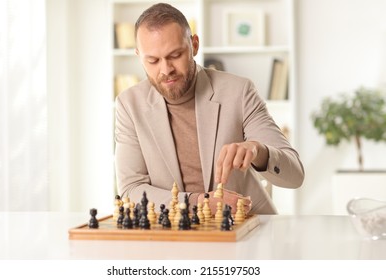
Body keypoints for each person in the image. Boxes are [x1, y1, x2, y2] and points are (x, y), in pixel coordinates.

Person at [115, 3, 304, 214]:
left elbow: (294, 175)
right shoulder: (128, 105)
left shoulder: (239, 91)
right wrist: (198, 202)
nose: (166, 69)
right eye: (152, 60)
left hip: (247, 229)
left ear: (194, 45)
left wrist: (258, 151)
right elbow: (131, 189)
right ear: (139, 57)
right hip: (172, 234)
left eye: (175, 55)